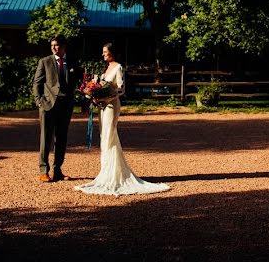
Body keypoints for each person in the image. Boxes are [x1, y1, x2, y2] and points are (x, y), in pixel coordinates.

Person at [76, 42, 170, 196]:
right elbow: (99, 85)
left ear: (112, 53)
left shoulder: (118, 67)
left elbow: (121, 88)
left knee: (109, 137)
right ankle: (107, 171)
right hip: (102, 106)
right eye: (103, 52)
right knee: (104, 137)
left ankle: (113, 175)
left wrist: (106, 98)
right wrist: (94, 94)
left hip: (112, 106)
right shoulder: (105, 68)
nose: (103, 54)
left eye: (105, 52)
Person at [34, 35, 76, 183]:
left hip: (65, 106)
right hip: (48, 105)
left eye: (56, 45)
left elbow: (75, 83)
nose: (53, 47)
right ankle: (43, 171)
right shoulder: (44, 62)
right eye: (52, 45)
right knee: (46, 138)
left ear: (64, 47)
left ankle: (58, 170)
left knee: (61, 139)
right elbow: (37, 83)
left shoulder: (71, 62)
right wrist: (40, 101)